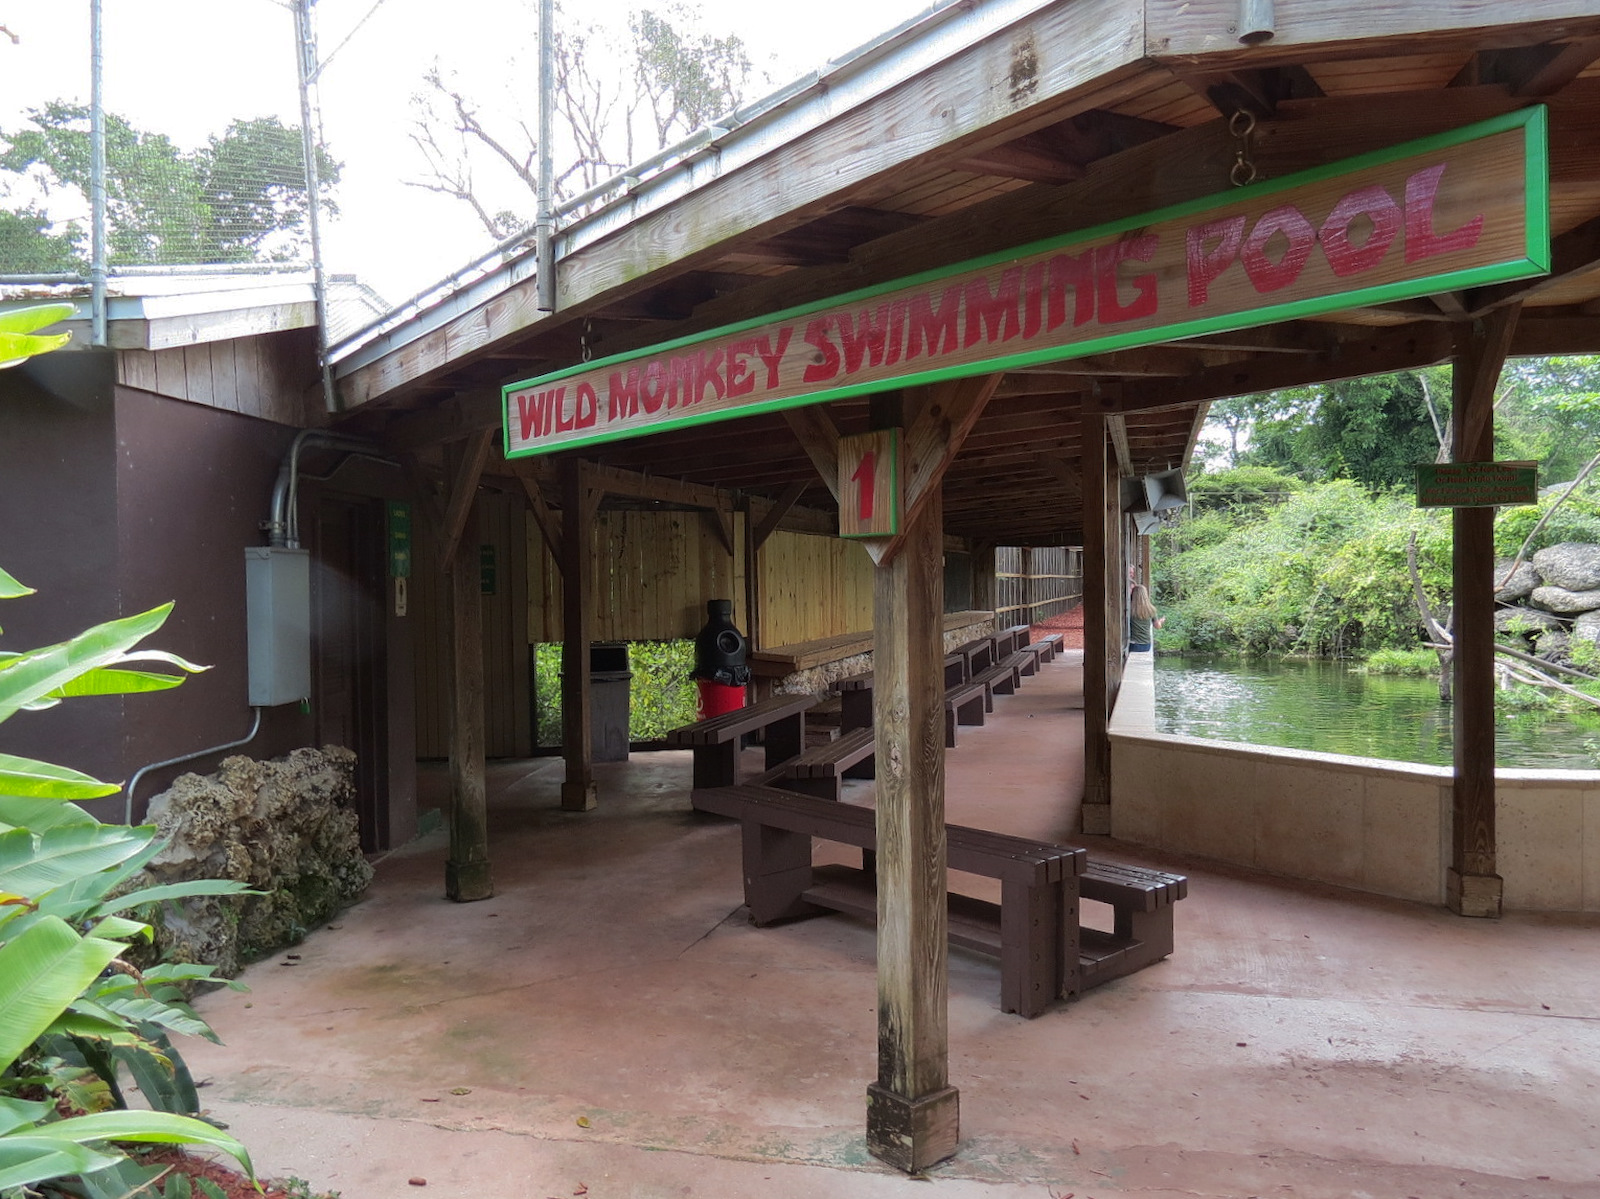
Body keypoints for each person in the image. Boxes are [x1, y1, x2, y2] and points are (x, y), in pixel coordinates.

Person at [1128, 583, 1163, 652]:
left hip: (1134, 645)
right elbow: (1157, 626)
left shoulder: (1130, 610)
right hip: (1147, 645)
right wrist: (1160, 621)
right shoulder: (1151, 609)